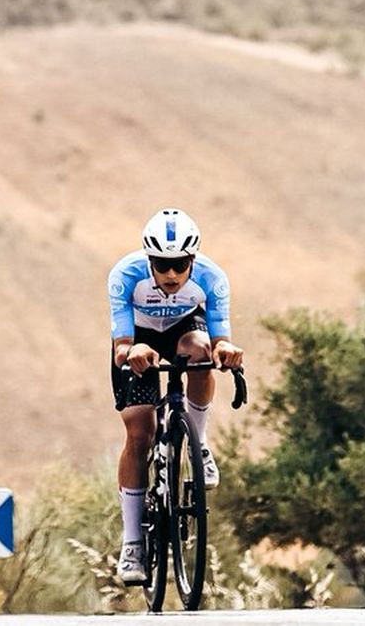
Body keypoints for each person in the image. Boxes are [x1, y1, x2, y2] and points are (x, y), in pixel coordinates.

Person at [108, 207, 244, 585]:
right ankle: (133, 542)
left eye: (180, 265)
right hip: (139, 336)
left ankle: (197, 443)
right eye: (162, 265)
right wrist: (131, 352)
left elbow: (219, 339)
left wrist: (227, 351)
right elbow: (121, 344)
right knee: (140, 433)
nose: (171, 274)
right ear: (149, 260)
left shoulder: (212, 279)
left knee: (200, 351)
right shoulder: (125, 275)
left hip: (185, 328)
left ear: (193, 261)